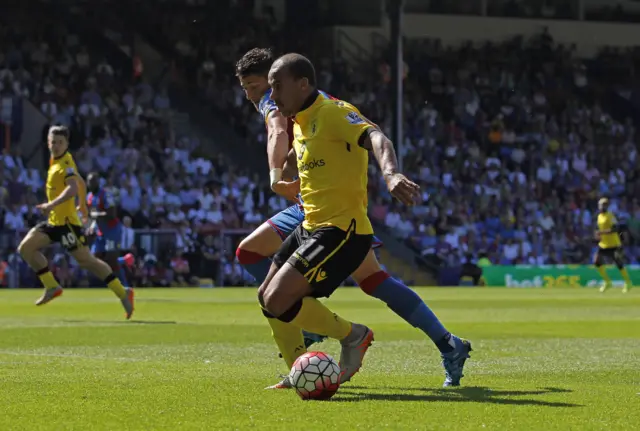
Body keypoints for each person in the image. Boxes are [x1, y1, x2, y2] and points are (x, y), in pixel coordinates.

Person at [263, 52, 471, 387]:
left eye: (276, 86)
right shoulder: (300, 120)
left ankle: (346, 336)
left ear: (302, 84)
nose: (271, 95)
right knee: (271, 297)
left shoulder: (332, 112)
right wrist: (283, 176)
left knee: (277, 292)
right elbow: (297, 156)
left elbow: (376, 137)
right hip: (312, 225)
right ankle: (305, 357)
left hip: (341, 229)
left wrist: (390, 175)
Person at [16, 126, 135, 318]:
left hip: (67, 225)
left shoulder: (65, 163)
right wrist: (83, 206)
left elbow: (72, 187)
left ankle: (124, 292)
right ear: (48, 142)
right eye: (53, 142)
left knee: (87, 261)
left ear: (67, 144)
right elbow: (81, 183)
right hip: (54, 222)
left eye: (60, 142)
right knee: (25, 248)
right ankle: (51, 286)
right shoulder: (56, 160)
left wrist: (52, 204)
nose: (55, 146)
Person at [86, 172, 135, 287]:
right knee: (95, 259)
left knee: (111, 260)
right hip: (100, 231)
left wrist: (96, 215)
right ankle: (124, 260)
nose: (91, 183)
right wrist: (91, 226)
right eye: (89, 181)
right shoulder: (89, 197)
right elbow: (92, 216)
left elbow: (112, 213)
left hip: (112, 230)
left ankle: (125, 286)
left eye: (94, 181)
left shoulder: (105, 195)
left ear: (98, 182)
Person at [595, 197, 632, 293]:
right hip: (603, 244)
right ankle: (607, 282)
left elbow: (615, 229)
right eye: (600, 205)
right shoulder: (599, 216)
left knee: (618, 263)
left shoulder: (610, 216)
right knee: (597, 262)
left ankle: (628, 282)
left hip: (613, 243)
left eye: (603, 205)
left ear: (606, 206)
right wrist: (599, 236)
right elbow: (600, 229)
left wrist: (601, 232)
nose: (601, 206)